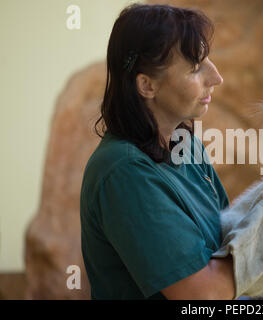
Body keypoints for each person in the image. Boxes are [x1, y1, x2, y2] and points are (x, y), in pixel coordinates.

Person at [80, 3, 235, 299]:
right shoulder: (123, 171)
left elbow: (232, 239)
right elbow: (201, 297)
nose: (216, 77)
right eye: (195, 66)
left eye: (208, 60)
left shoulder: (186, 146)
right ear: (147, 85)